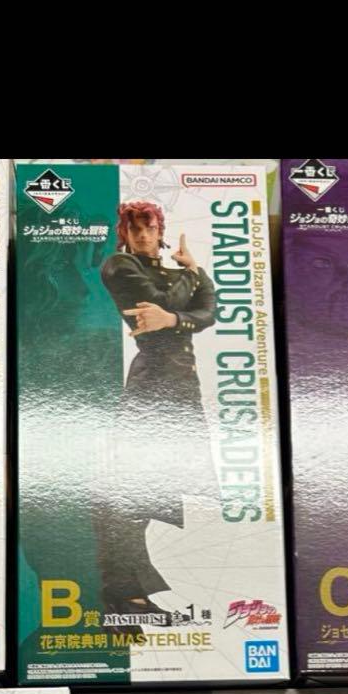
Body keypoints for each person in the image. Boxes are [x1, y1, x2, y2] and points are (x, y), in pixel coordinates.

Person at [96, 200, 216, 625]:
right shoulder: (119, 266)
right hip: (152, 386)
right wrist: (188, 284)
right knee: (136, 492)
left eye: (150, 228)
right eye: (136, 229)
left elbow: (209, 312)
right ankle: (124, 596)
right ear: (125, 234)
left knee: (155, 492)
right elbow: (166, 301)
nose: (144, 235)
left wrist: (189, 280)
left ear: (160, 230)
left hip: (182, 388)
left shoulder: (172, 271)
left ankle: (129, 594)